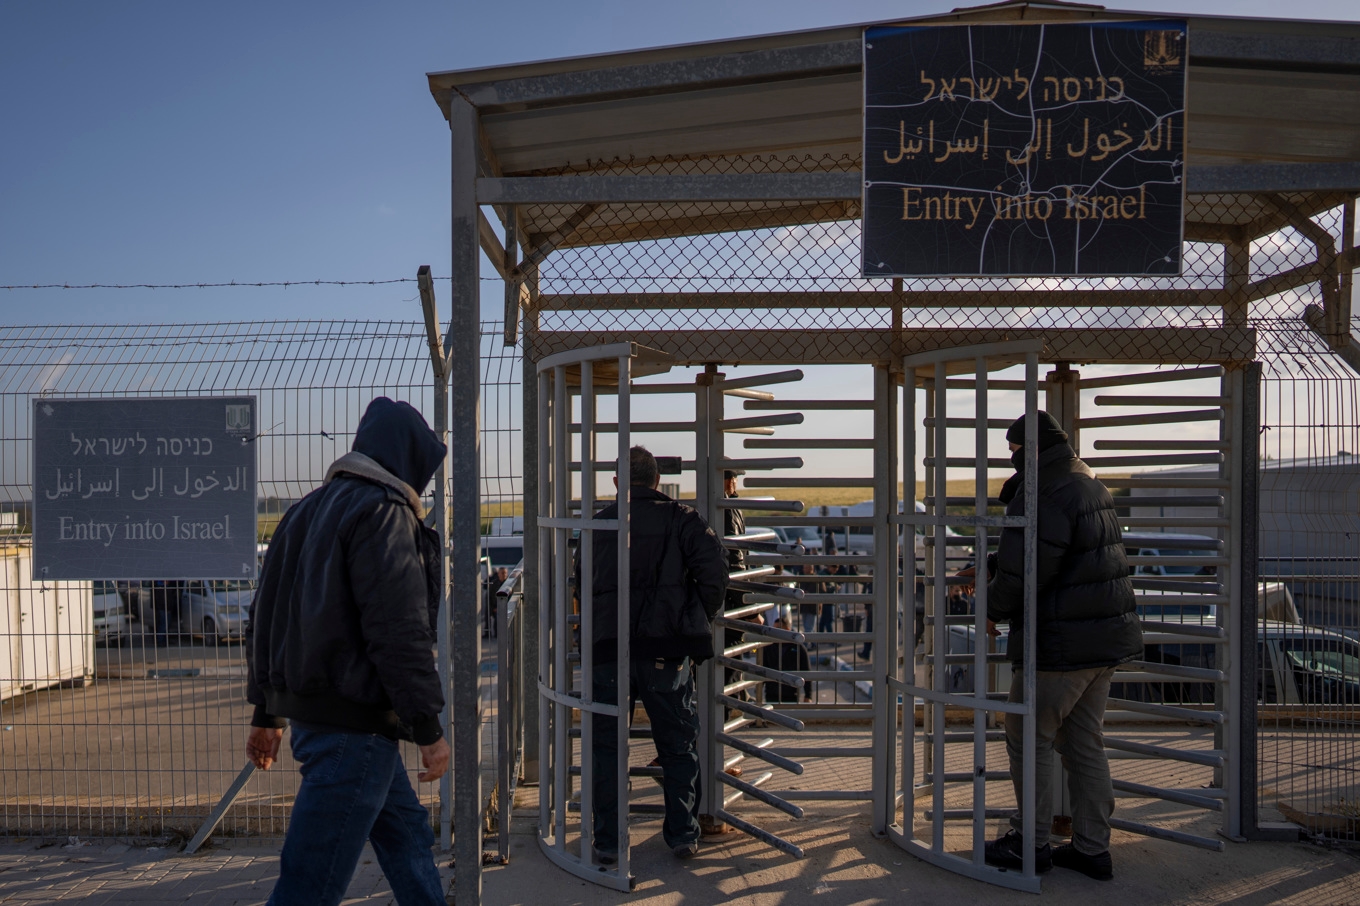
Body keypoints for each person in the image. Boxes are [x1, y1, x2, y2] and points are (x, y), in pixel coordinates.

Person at [245, 397, 451, 906]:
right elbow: (398, 631)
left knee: (408, 840)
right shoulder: (384, 513)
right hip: (354, 733)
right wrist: (427, 729)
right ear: (406, 458)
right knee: (308, 885)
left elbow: (267, 617)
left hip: (329, 726)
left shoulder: (305, 510)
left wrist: (266, 712)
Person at [975, 411, 1142, 881]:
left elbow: (1030, 566)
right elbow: (1058, 548)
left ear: (1030, 449)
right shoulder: (1086, 480)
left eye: (1014, 452)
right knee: (1084, 743)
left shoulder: (1043, 490)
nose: (1012, 461)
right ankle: (1092, 849)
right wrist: (991, 563)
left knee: (1028, 735)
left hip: (1062, 641)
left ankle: (1030, 844)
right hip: (1101, 638)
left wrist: (993, 605)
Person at [578, 446, 728, 863]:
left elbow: (579, 584)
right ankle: (682, 833)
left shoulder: (598, 525)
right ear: (657, 481)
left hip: (608, 650)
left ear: (616, 483)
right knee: (678, 743)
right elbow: (715, 572)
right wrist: (693, 620)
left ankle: (607, 840)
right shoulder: (683, 519)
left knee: (607, 747)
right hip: (667, 650)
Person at [761, 614, 812, 703]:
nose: (776, 633)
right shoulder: (768, 647)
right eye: (774, 629)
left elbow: (806, 672)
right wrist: (758, 691)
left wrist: (808, 695)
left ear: (788, 629)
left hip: (791, 694)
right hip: (772, 694)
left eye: (779, 629)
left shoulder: (798, 648)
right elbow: (762, 669)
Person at [485, 565, 508, 638]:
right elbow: (490, 597)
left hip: (505, 607)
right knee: (487, 613)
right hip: (494, 606)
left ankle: (498, 634)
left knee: (498, 616)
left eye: (505, 573)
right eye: (502, 573)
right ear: (498, 574)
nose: (503, 575)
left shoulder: (508, 584)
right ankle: (487, 633)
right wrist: (493, 608)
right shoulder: (494, 584)